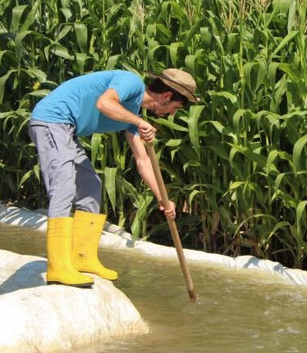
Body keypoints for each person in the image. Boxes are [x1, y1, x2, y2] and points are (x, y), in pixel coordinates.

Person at [28, 68, 199, 287]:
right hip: (51, 121)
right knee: (64, 186)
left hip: (66, 131)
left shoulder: (131, 114)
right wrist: (139, 122)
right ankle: (58, 267)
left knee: (91, 185)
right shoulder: (131, 82)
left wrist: (163, 199)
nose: (172, 114)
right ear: (166, 97)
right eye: (175, 108)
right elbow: (104, 103)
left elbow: (143, 161)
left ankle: (82, 258)